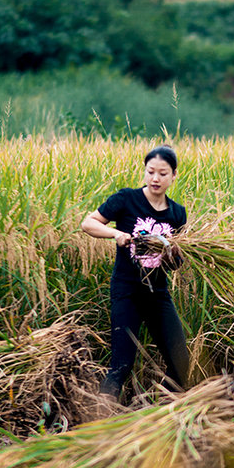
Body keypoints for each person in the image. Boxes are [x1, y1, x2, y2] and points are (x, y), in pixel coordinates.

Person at [81, 145, 189, 399]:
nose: (155, 179)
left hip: (158, 294)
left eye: (163, 173)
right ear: (144, 172)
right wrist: (117, 233)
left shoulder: (177, 213)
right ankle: (100, 420)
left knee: (181, 362)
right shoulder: (126, 199)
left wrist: (174, 255)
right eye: (151, 171)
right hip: (127, 291)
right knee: (121, 364)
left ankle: (170, 418)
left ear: (174, 175)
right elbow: (88, 223)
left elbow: (176, 264)